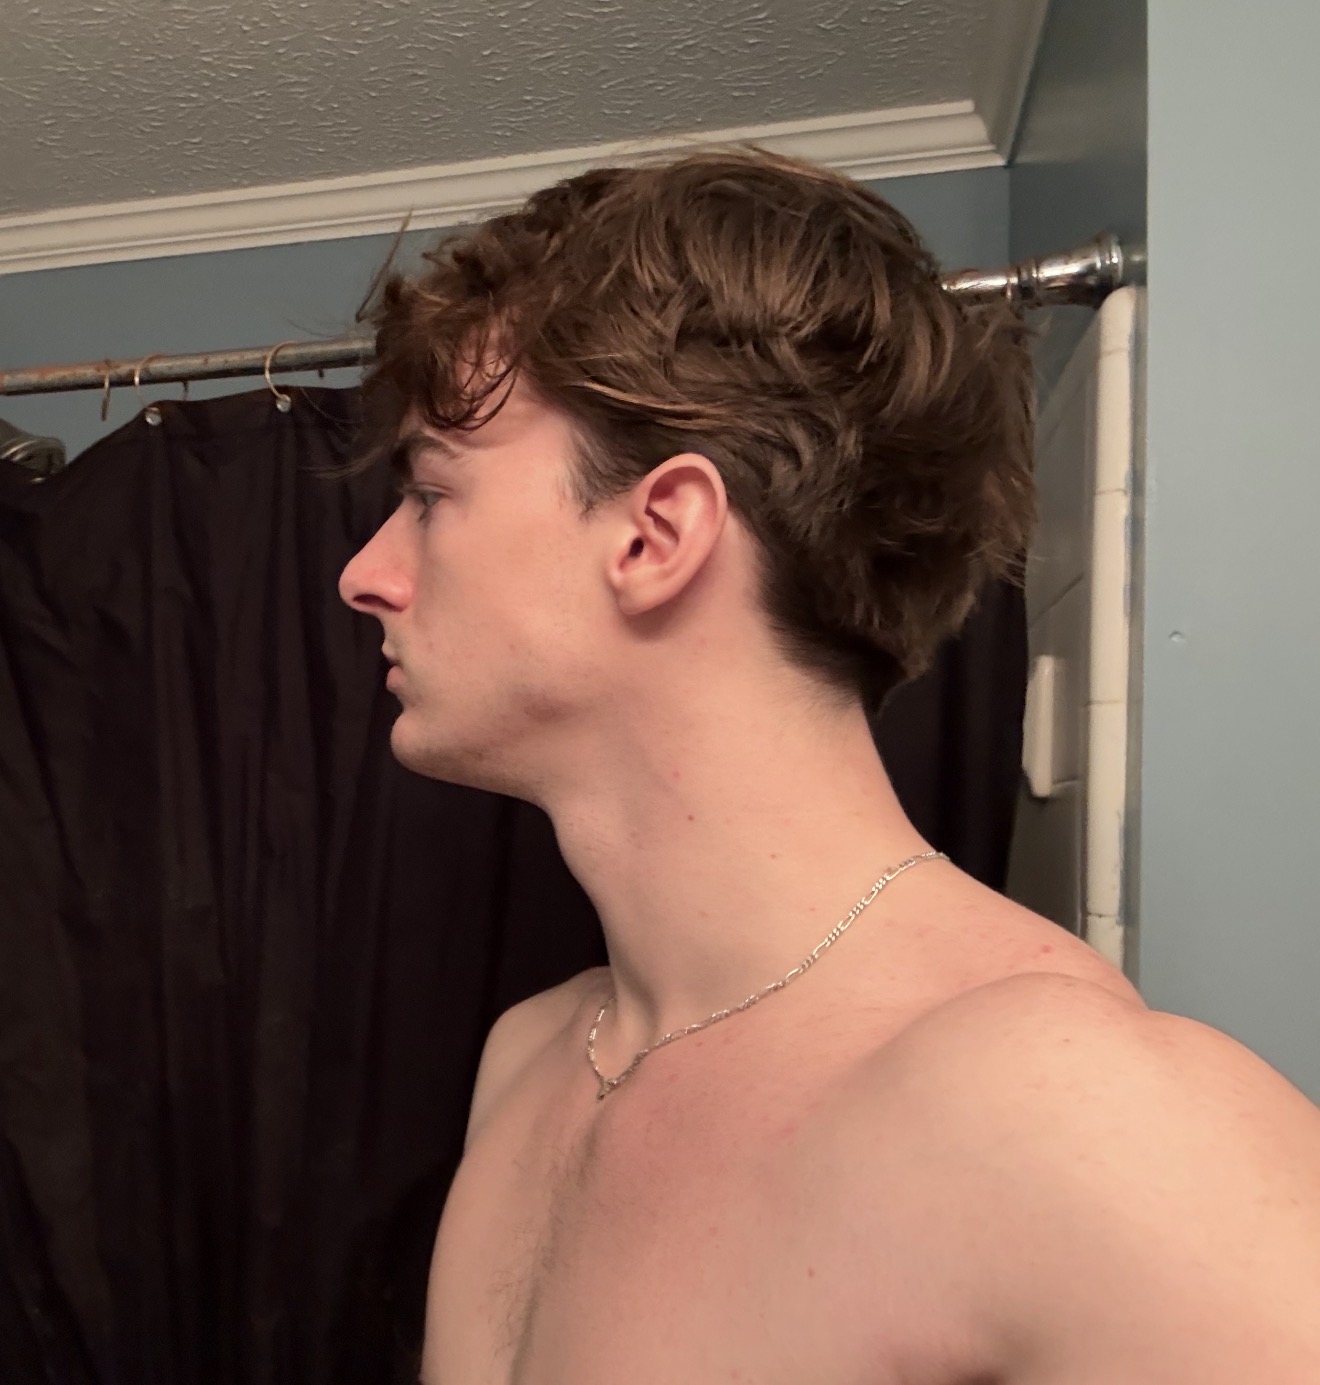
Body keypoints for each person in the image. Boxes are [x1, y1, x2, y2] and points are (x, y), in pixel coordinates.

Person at [338, 148, 1320, 1384]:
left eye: (432, 494)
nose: (366, 574)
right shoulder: (534, 1058)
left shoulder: (1082, 1115)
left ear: (656, 533)